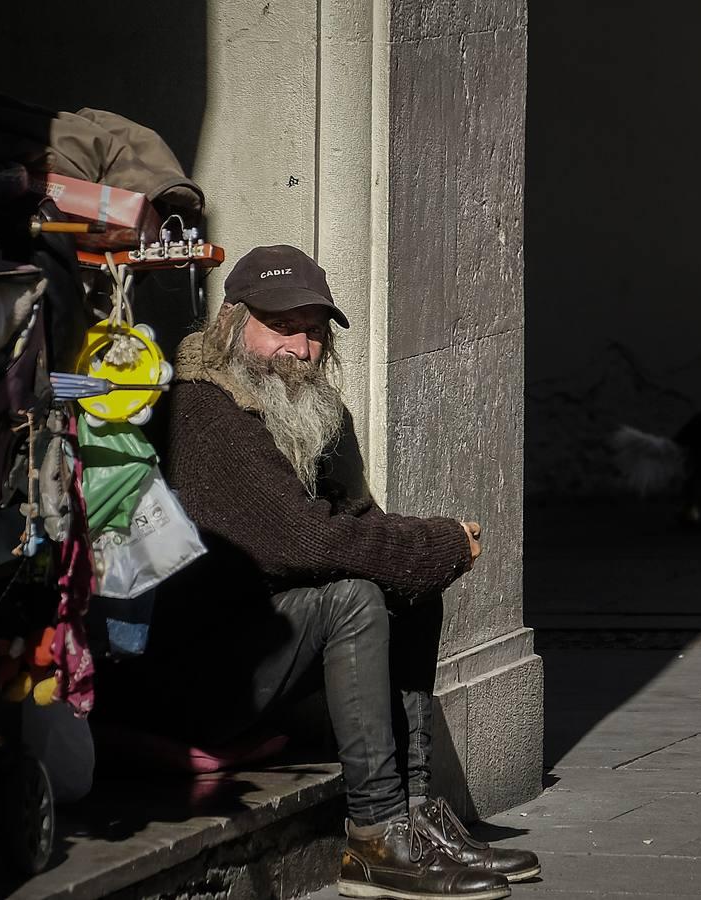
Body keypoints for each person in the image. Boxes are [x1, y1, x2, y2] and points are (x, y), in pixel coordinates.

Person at [112, 245, 538, 900]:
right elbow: (301, 540)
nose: (302, 347)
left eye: (313, 330)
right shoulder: (202, 407)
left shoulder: (315, 411)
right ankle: (373, 838)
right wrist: (432, 540)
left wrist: (426, 553)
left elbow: (362, 523)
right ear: (232, 324)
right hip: (189, 680)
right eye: (283, 326)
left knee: (406, 585)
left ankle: (415, 815)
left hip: (260, 654)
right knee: (357, 595)